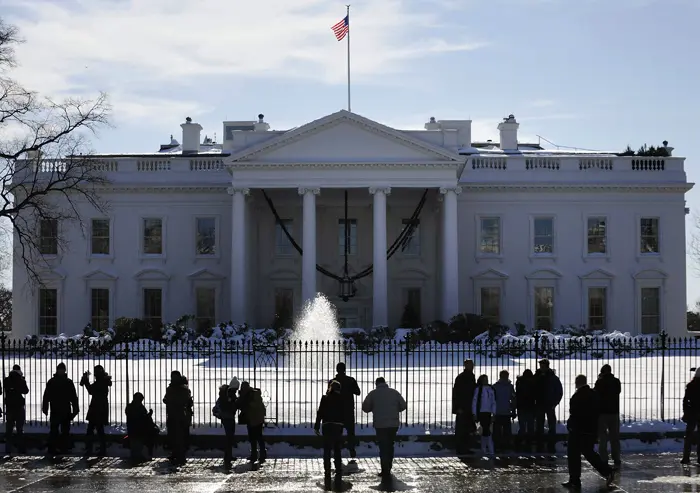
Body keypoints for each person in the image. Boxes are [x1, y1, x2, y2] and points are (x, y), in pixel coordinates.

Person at [563, 374, 615, 489]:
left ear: (577, 383)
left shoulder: (577, 397)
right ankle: (607, 471)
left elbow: (575, 414)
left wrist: (571, 426)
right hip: (591, 429)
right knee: (589, 453)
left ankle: (574, 479)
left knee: (573, 455)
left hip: (577, 430)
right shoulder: (594, 394)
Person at [362, 377, 407, 489]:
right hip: (393, 424)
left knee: (383, 446)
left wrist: (374, 407)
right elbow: (403, 405)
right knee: (390, 444)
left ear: (376, 384)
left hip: (380, 425)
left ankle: (384, 469)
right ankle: (389, 467)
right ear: (385, 383)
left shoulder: (373, 394)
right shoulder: (394, 392)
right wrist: (395, 409)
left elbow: (365, 408)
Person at [42, 362, 80, 455]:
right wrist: (45, 407)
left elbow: (73, 397)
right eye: (60, 369)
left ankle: (62, 447)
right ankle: (53, 448)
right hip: (56, 409)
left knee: (65, 430)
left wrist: (75, 409)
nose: (61, 371)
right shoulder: (53, 382)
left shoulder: (67, 382)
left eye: (62, 370)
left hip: (64, 409)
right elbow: (46, 396)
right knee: (55, 430)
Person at [315, 380, 346, 491]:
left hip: (327, 425)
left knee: (327, 449)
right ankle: (338, 468)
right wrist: (345, 424)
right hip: (338, 426)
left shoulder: (325, 398)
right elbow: (344, 413)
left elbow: (320, 412)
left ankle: (327, 469)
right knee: (337, 448)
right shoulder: (342, 399)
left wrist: (317, 425)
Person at [330, 362, 361, 467]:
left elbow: (329, 394)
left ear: (336, 369)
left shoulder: (332, 381)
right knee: (350, 431)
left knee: (336, 432)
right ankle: (351, 449)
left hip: (336, 410)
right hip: (348, 410)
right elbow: (358, 392)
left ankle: (336, 451)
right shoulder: (351, 380)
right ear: (345, 369)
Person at [80, 364, 113, 456]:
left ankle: (92, 448)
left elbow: (91, 390)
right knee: (98, 429)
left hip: (97, 407)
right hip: (99, 407)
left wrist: (86, 381)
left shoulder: (101, 381)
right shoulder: (103, 380)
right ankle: (98, 448)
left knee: (93, 429)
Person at [163, 370, 193, 465]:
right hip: (175, 415)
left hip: (179, 415)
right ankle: (176, 453)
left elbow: (184, 401)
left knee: (179, 436)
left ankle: (180, 455)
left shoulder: (181, 389)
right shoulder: (174, 388)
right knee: (175, 436)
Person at [594, 364, 622, 467]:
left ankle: (604, 458)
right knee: (614, 437)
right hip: (614, 412)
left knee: (603, 437)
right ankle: (616, 458)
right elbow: (618, 392)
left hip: (602, 413)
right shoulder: (616, 381)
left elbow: (595, 395)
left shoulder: (599, 382)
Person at [534, 359, 563, 452]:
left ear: (547, 366)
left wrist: (555, 403)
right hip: (539, 403)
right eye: (540, 366)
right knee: (539, 424)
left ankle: (551, 443)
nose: (541, 368)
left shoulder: (553, 378)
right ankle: (540, 443)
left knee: (551, 424)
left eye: (543, 366)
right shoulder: (537, 376)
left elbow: (559, 391)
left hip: (549, 404)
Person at [213, 377, 240, 470]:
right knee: (229, 437)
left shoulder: (226, 393)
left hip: (226, 417)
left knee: (230, 437)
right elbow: (232, 405)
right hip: (228, 417)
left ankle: (229, 455)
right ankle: (227, 457)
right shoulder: (230, 394)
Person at [237, 381, 267, 464]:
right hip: (252, 419)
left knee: (258, 437)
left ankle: (261, 455)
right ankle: (255, 455)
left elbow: (254, 406)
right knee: (253, 438)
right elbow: (239, 404)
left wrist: (246, 402)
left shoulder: (253, 395)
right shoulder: (246, 395)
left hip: (256, 419)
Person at [125, 392, 159, 464]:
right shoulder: (136, 407)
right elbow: (141, 418)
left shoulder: (132, 407)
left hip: (135, 430)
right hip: (137, 430)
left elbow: (143, 418)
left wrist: (148, 415)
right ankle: (139, 456)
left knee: (138, 442)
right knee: (138, 441)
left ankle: (138, 455)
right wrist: (148, 415)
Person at [452, 359, 477, 454]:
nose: (472, 366)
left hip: (468, 406)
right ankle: (461, 448)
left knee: (466, 428)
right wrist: (457, 407)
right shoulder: (462, 377)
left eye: (472, 365)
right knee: (462, 429)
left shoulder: (470, 376)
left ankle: (464, 448)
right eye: (470, 365)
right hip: (463, 407)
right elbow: (456, 393)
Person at [4, 364, 29, 455]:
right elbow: (25, 391)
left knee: (9, 429)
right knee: (19, 429)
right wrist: (21, 379)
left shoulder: (7, 380)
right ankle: (21, 449)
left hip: (10, 407)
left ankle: (8, 449)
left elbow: (6, 388)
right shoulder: (21, 380)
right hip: (19, 407)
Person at [472, 374, 496, 456]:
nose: (486, 381)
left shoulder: (491, 389)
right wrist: (474, 413)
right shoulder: (478, 389)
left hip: (488, 412)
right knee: (486, 431)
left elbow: (493, 402)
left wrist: (494, 412)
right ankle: (489, 448)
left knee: (486, 431)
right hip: (481, 412)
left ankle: (485, 448)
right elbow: (475, 402)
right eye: (485, 379)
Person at [493, 370, 516, 451]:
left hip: (497, 411)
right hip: (506, 411)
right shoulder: (510, 386)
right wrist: (513, 410)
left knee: (497, 431)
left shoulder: (495, 386)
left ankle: (497, 445)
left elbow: (493, 399)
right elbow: (513, 399)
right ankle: (506, 445)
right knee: (507, 431)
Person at [681, 368, 700, 464]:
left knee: (688, 435)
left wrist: (686, 412)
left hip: (692, 413)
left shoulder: (691, 386)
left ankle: (686, 457)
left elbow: (685, 401)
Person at [515, 369, 536, 451]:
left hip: (522, 407)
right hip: (530, 407)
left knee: (523, 426)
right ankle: (528, 442)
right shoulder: (533, 383)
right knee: (530, 426)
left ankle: (520, 442)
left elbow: (518, 395)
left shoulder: (520, 382)